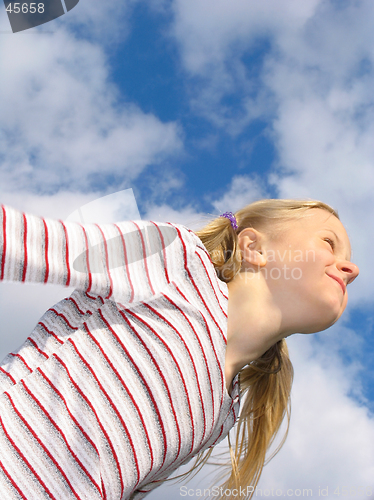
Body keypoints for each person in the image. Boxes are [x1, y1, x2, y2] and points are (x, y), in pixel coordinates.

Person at [0, 198, 359, 499]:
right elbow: (22, 241)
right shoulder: (179, 262)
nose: (352, 269)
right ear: (254, 248)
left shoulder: (222, 411)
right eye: (329, 243)